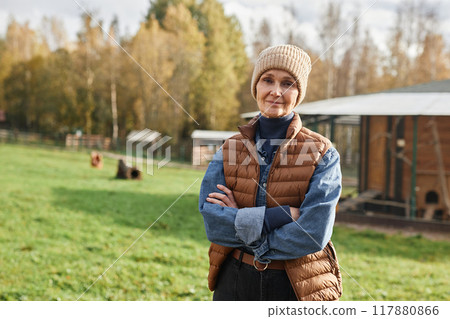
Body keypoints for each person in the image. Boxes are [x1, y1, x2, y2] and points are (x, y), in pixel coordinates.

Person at [199, 44, 343, 301]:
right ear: (256, 86)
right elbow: (213, 223)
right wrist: (283, 215)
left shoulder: (323, 153)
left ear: (299, 93)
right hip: (233, 282)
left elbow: (313, 233)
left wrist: (240, 219)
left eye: (288, 83)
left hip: (294, 286)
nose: (276, 91)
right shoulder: (230, 147)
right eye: (268, 80)